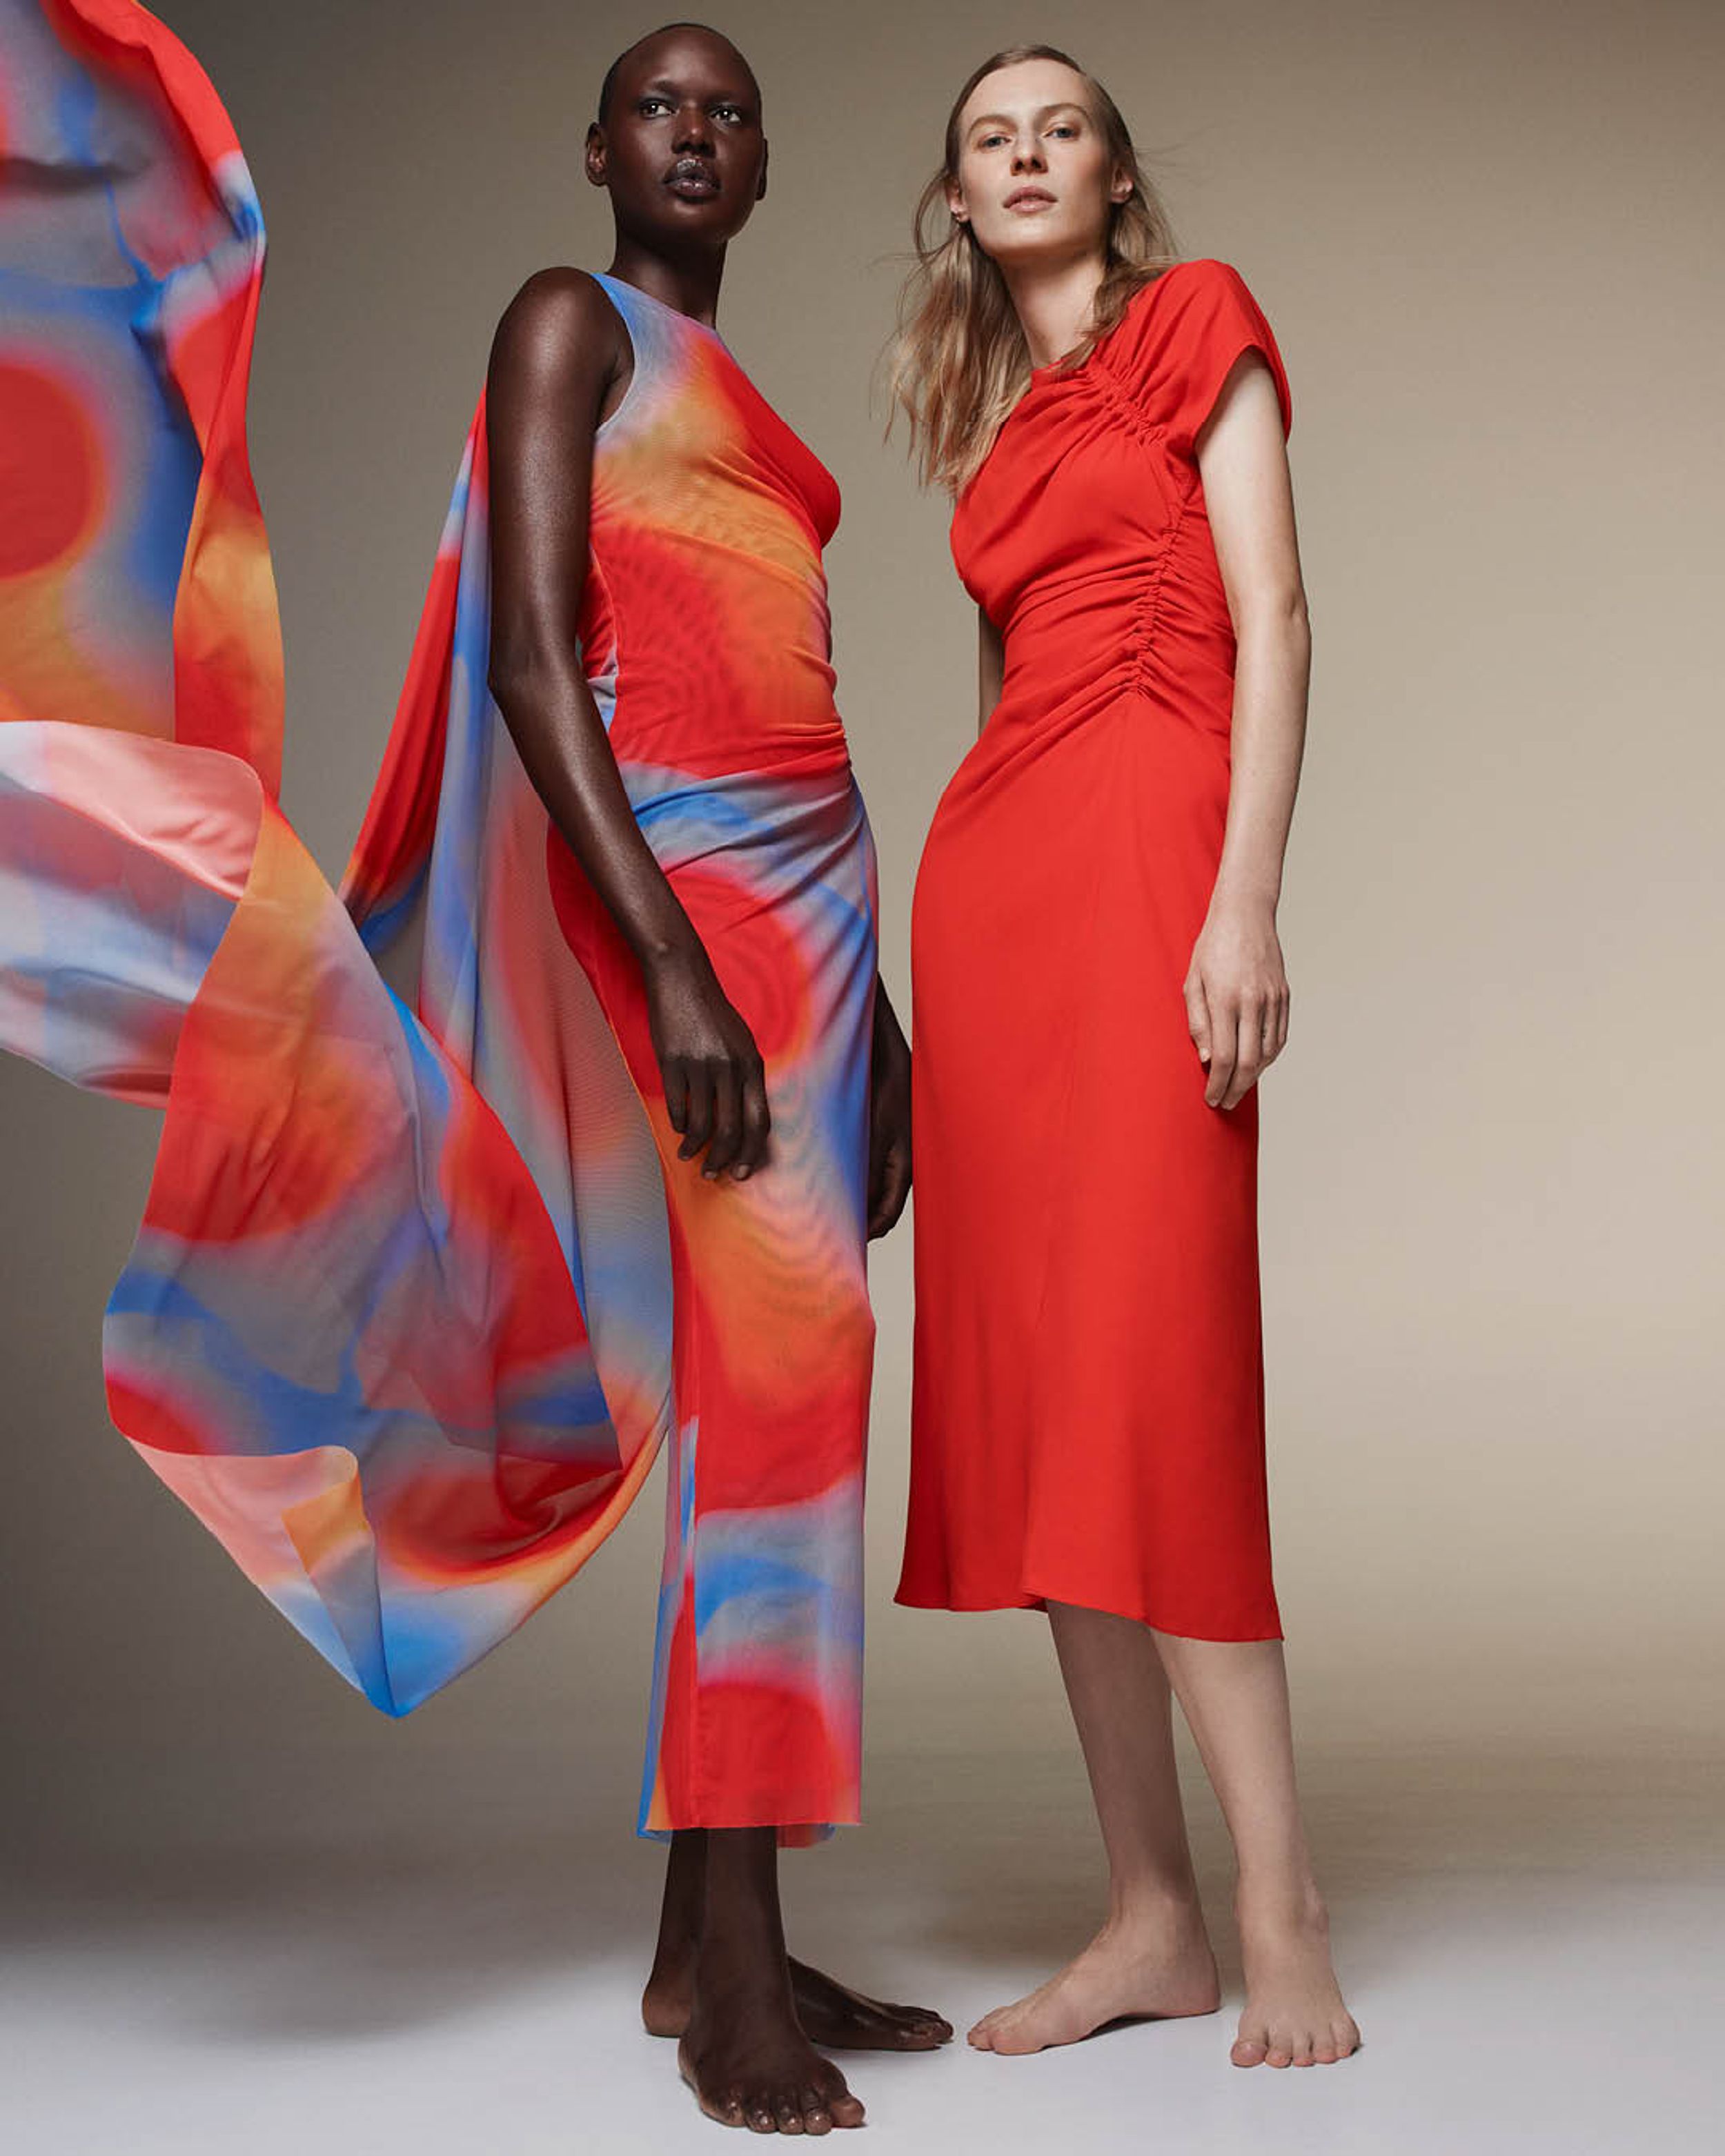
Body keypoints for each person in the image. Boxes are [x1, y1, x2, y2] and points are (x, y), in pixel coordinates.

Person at [0, 2, 945, 2133]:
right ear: (596, 147)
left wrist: (866, 1004)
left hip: (811, 909)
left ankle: (715, 1938)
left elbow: (797, 697)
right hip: (686, 905)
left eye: (730, 113)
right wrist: (678, 972)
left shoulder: (748, 402)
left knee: (773, 1395)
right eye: (658, 106)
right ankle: (727, 1994)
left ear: (765, 169)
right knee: (784, 1398)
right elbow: (538, 659)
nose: (693, 133)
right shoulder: (567, 329)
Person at [887, 44, 1361, 2070]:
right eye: (988, 136)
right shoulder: (983, 440)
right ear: (957, 193)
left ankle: (1275, 1901)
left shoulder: (1197, 321)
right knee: (1048, 1405)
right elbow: (1001, 706)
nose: (1022, 155)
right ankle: (1148, 1914)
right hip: (998, 903)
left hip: (1160, 860)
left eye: (1055, 127)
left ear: (1111, 172)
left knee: (1156, 1369)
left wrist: (1243, 898)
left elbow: (1274, 608)